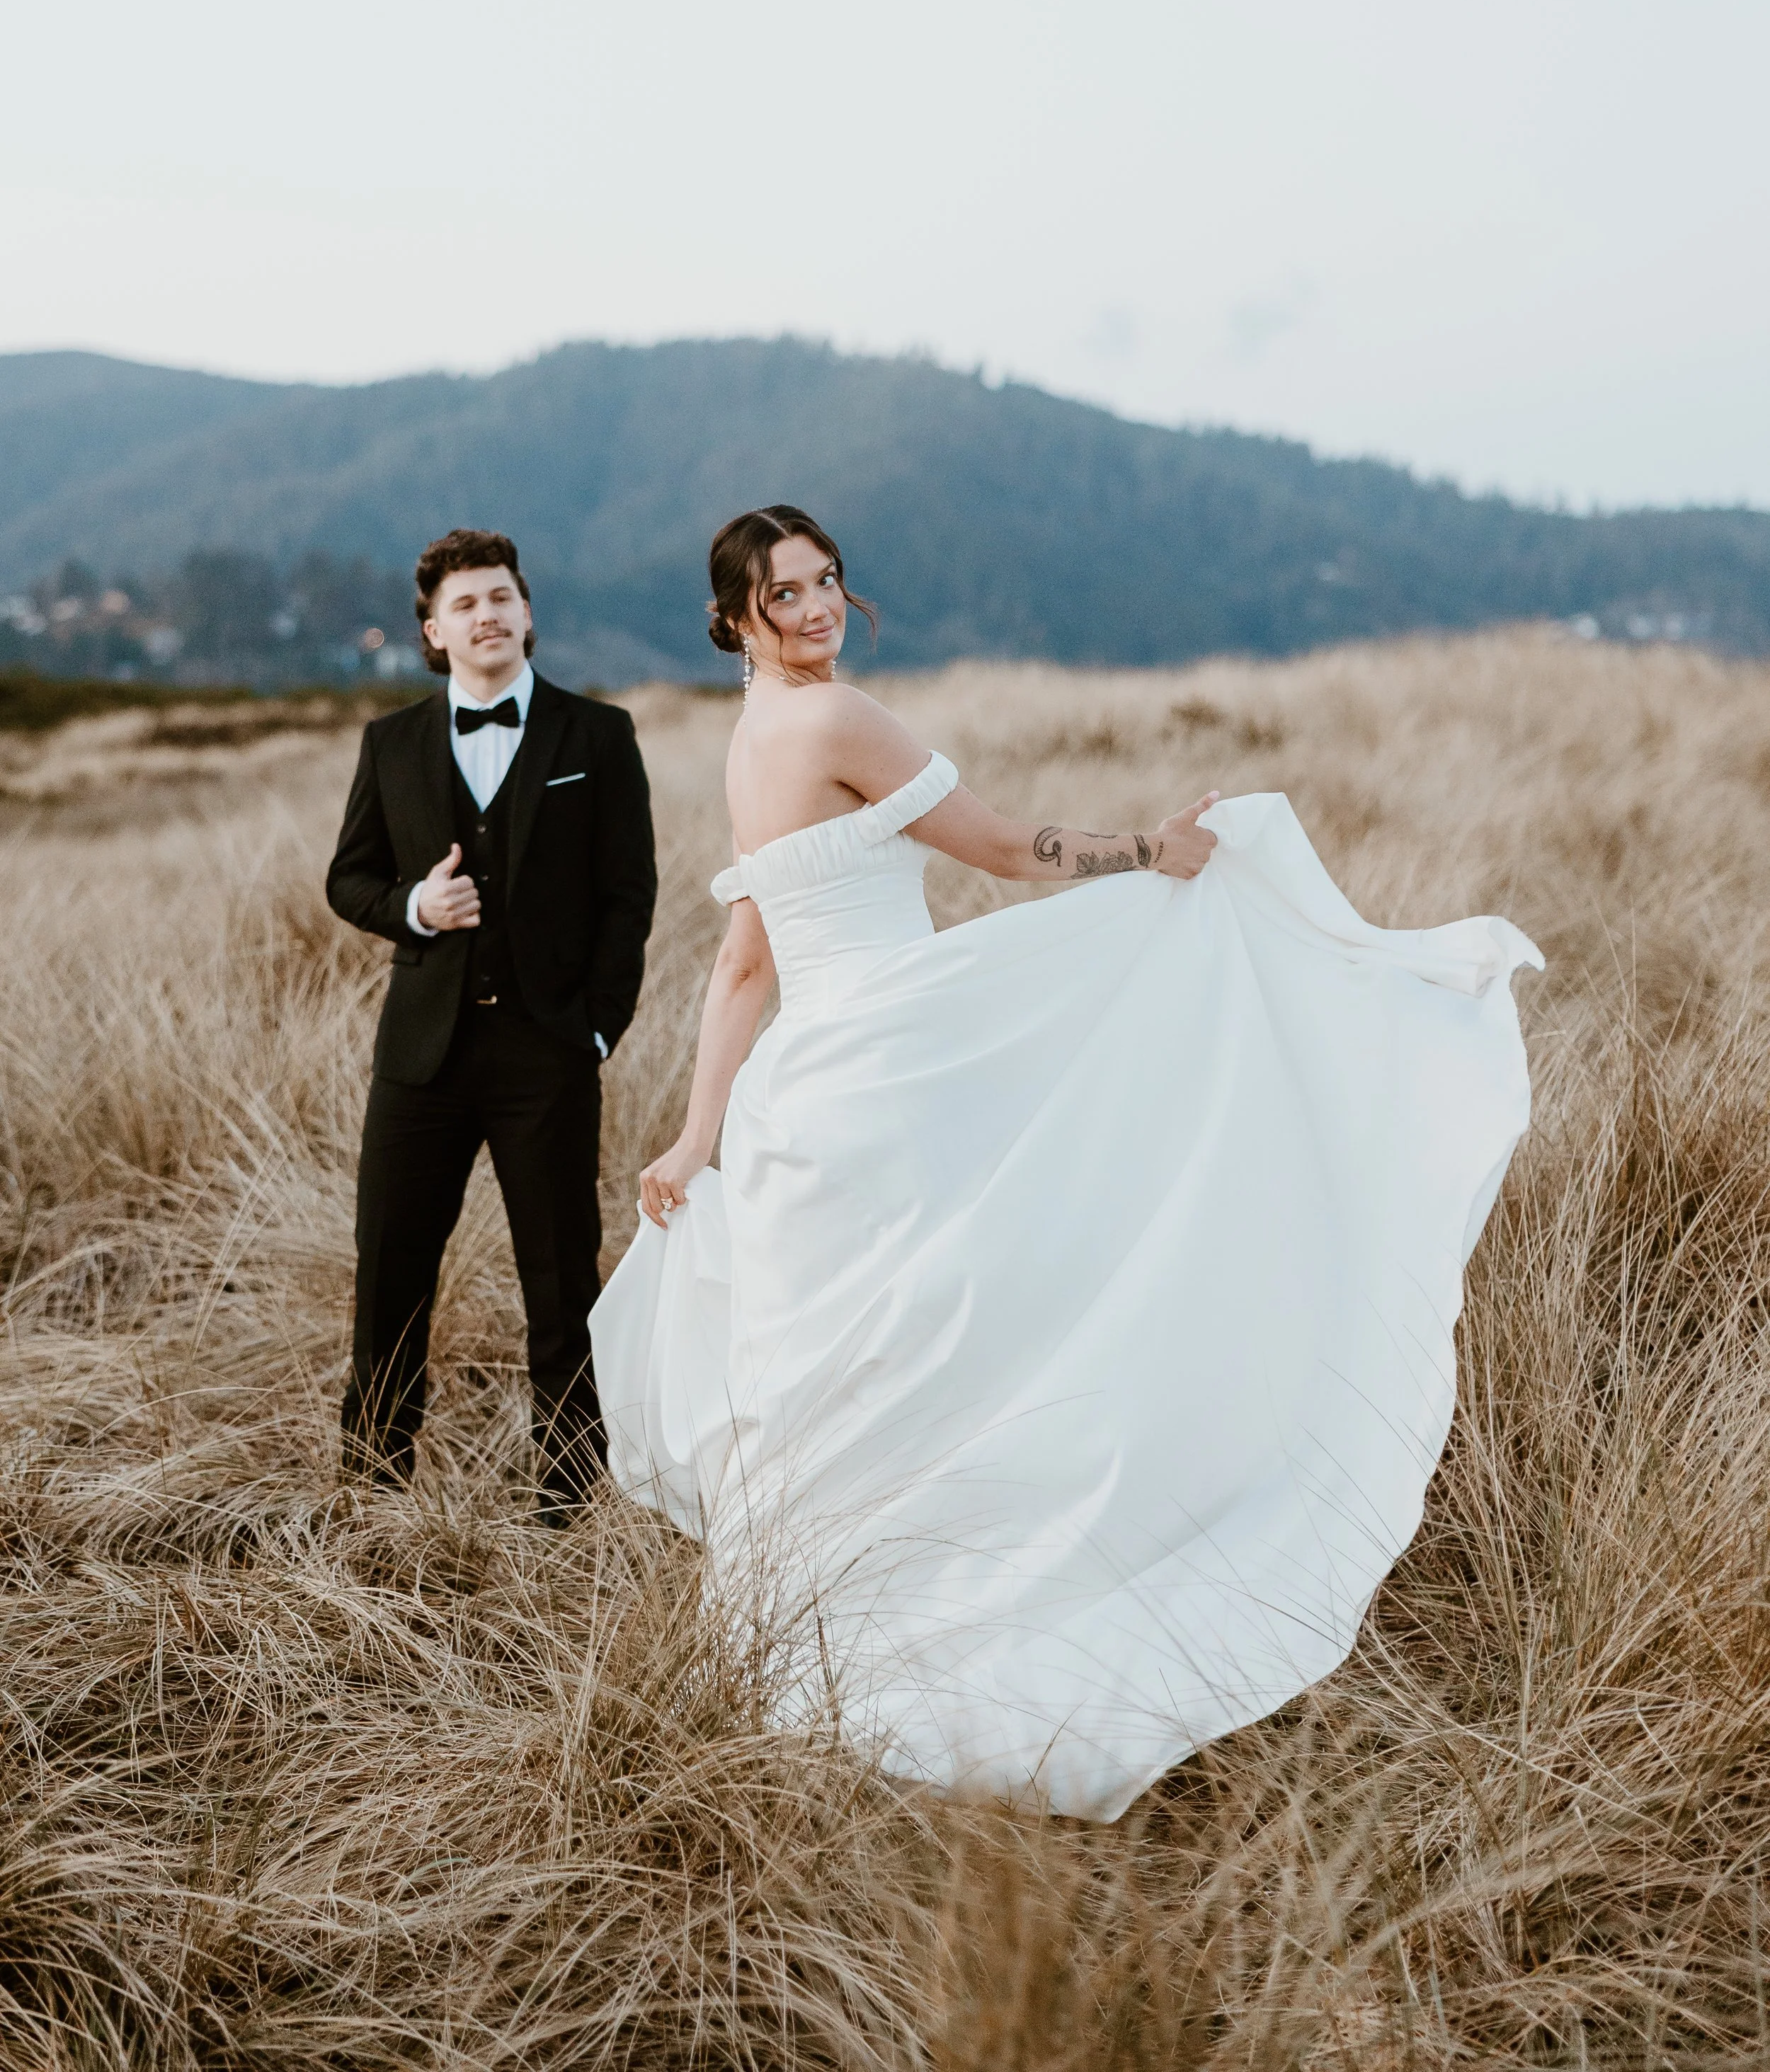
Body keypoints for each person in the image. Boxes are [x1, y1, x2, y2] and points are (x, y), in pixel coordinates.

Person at [590, 504, 1541, 1816]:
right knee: (958, 1322)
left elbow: (748, 962)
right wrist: (1150, 850)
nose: (814, 608)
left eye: (826, 582)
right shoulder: (837, 718)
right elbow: (996, 847)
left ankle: (814, 1622)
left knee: (858, 1349)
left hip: (805, 1089)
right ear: (735, 615)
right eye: (784, 593)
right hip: (897, 1065)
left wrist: (705, 1128)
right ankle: (980, 1588)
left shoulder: (750, 739)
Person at [327, 527, 656, 1522]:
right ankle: (374, 1490)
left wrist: (596, 1030)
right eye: (467, 603)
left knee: (562, 1283)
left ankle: (566, 1499)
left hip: (548, 1054)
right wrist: (415, 908)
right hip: (420, 1057)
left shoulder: (599, 735)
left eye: (503, 595)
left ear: (527, 609)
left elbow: (628, 894)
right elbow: (349, 876)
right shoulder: (391, 742)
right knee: (391, 1275)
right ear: (435, 629)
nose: (489, 613)